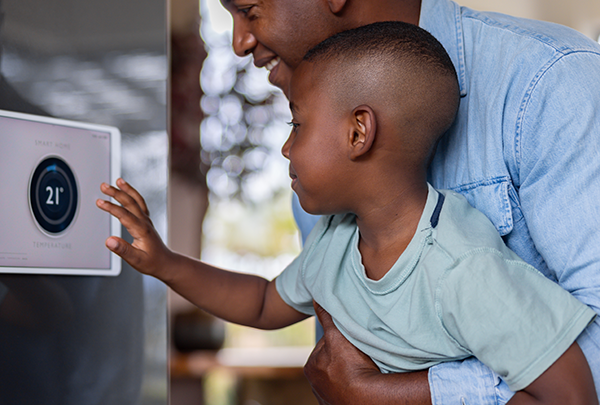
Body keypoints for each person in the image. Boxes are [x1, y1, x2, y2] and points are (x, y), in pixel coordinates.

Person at [209, 0, 600, 404]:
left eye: (247, 10)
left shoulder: (549, 83)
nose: (237, 42)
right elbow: (340, 357)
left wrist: (403, 394)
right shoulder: (322, 149)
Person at [98, 21, 597, 404]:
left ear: (359, 133)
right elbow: (260, 303)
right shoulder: (336, 240)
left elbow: (572, 394)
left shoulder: (463, 268)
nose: (286, 150)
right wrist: (164, 263)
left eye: (298, 126)